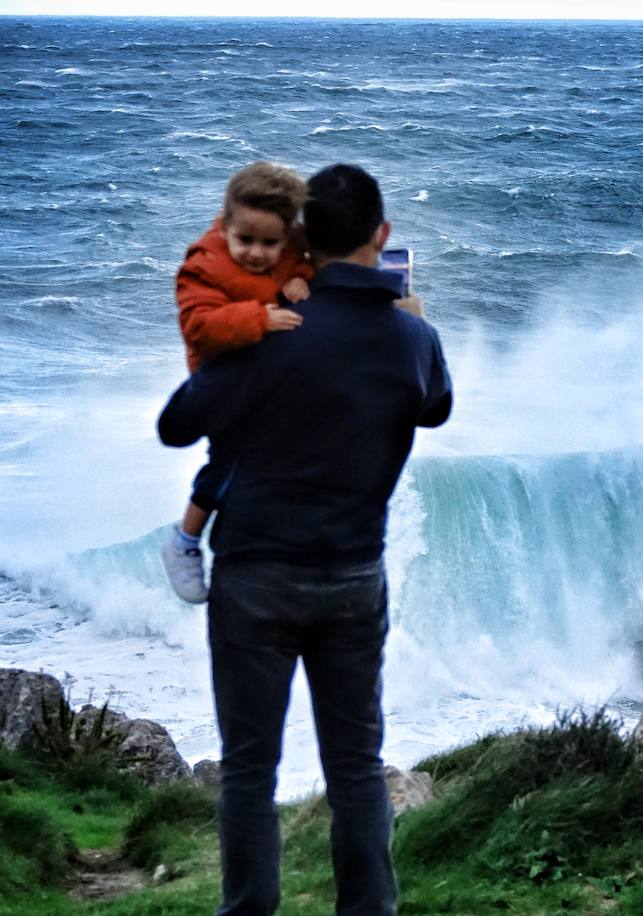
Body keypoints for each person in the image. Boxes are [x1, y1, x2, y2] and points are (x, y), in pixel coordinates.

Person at [158, 163, 452, 916]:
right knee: (356, 766)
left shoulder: (269, 333)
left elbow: (175, 426)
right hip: (353, 577)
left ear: (300, 241)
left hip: (256, 576)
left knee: (249, 771)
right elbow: (437, 407)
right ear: (381, 237)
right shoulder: (412, 340)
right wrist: (409, 316)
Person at [161, 160, 314, 604]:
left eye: (270, 243)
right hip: (223, 378)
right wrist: (259, 318)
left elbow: (301, 265)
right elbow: (199, 326)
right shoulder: (204, 265)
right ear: (226, 224)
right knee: (226, 461)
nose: (256, 252)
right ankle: (184, 541)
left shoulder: (288, 250)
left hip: (269, 377)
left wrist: (302, 276)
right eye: (245, 240)